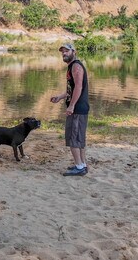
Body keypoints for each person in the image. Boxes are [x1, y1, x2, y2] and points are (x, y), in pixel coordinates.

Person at [50, 43, 89, 176]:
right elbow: (71, 90)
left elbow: (78, 87)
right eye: (62, 52)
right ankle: (82, 164)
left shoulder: (76, 66)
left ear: (74, 51)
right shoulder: (72, 67)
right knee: (79, 138)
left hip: (77, 108)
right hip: (80, 108)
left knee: (73, 138)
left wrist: (72, 105)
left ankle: (79, 167)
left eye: (67, 51)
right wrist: (60, 97)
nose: (64, 53)